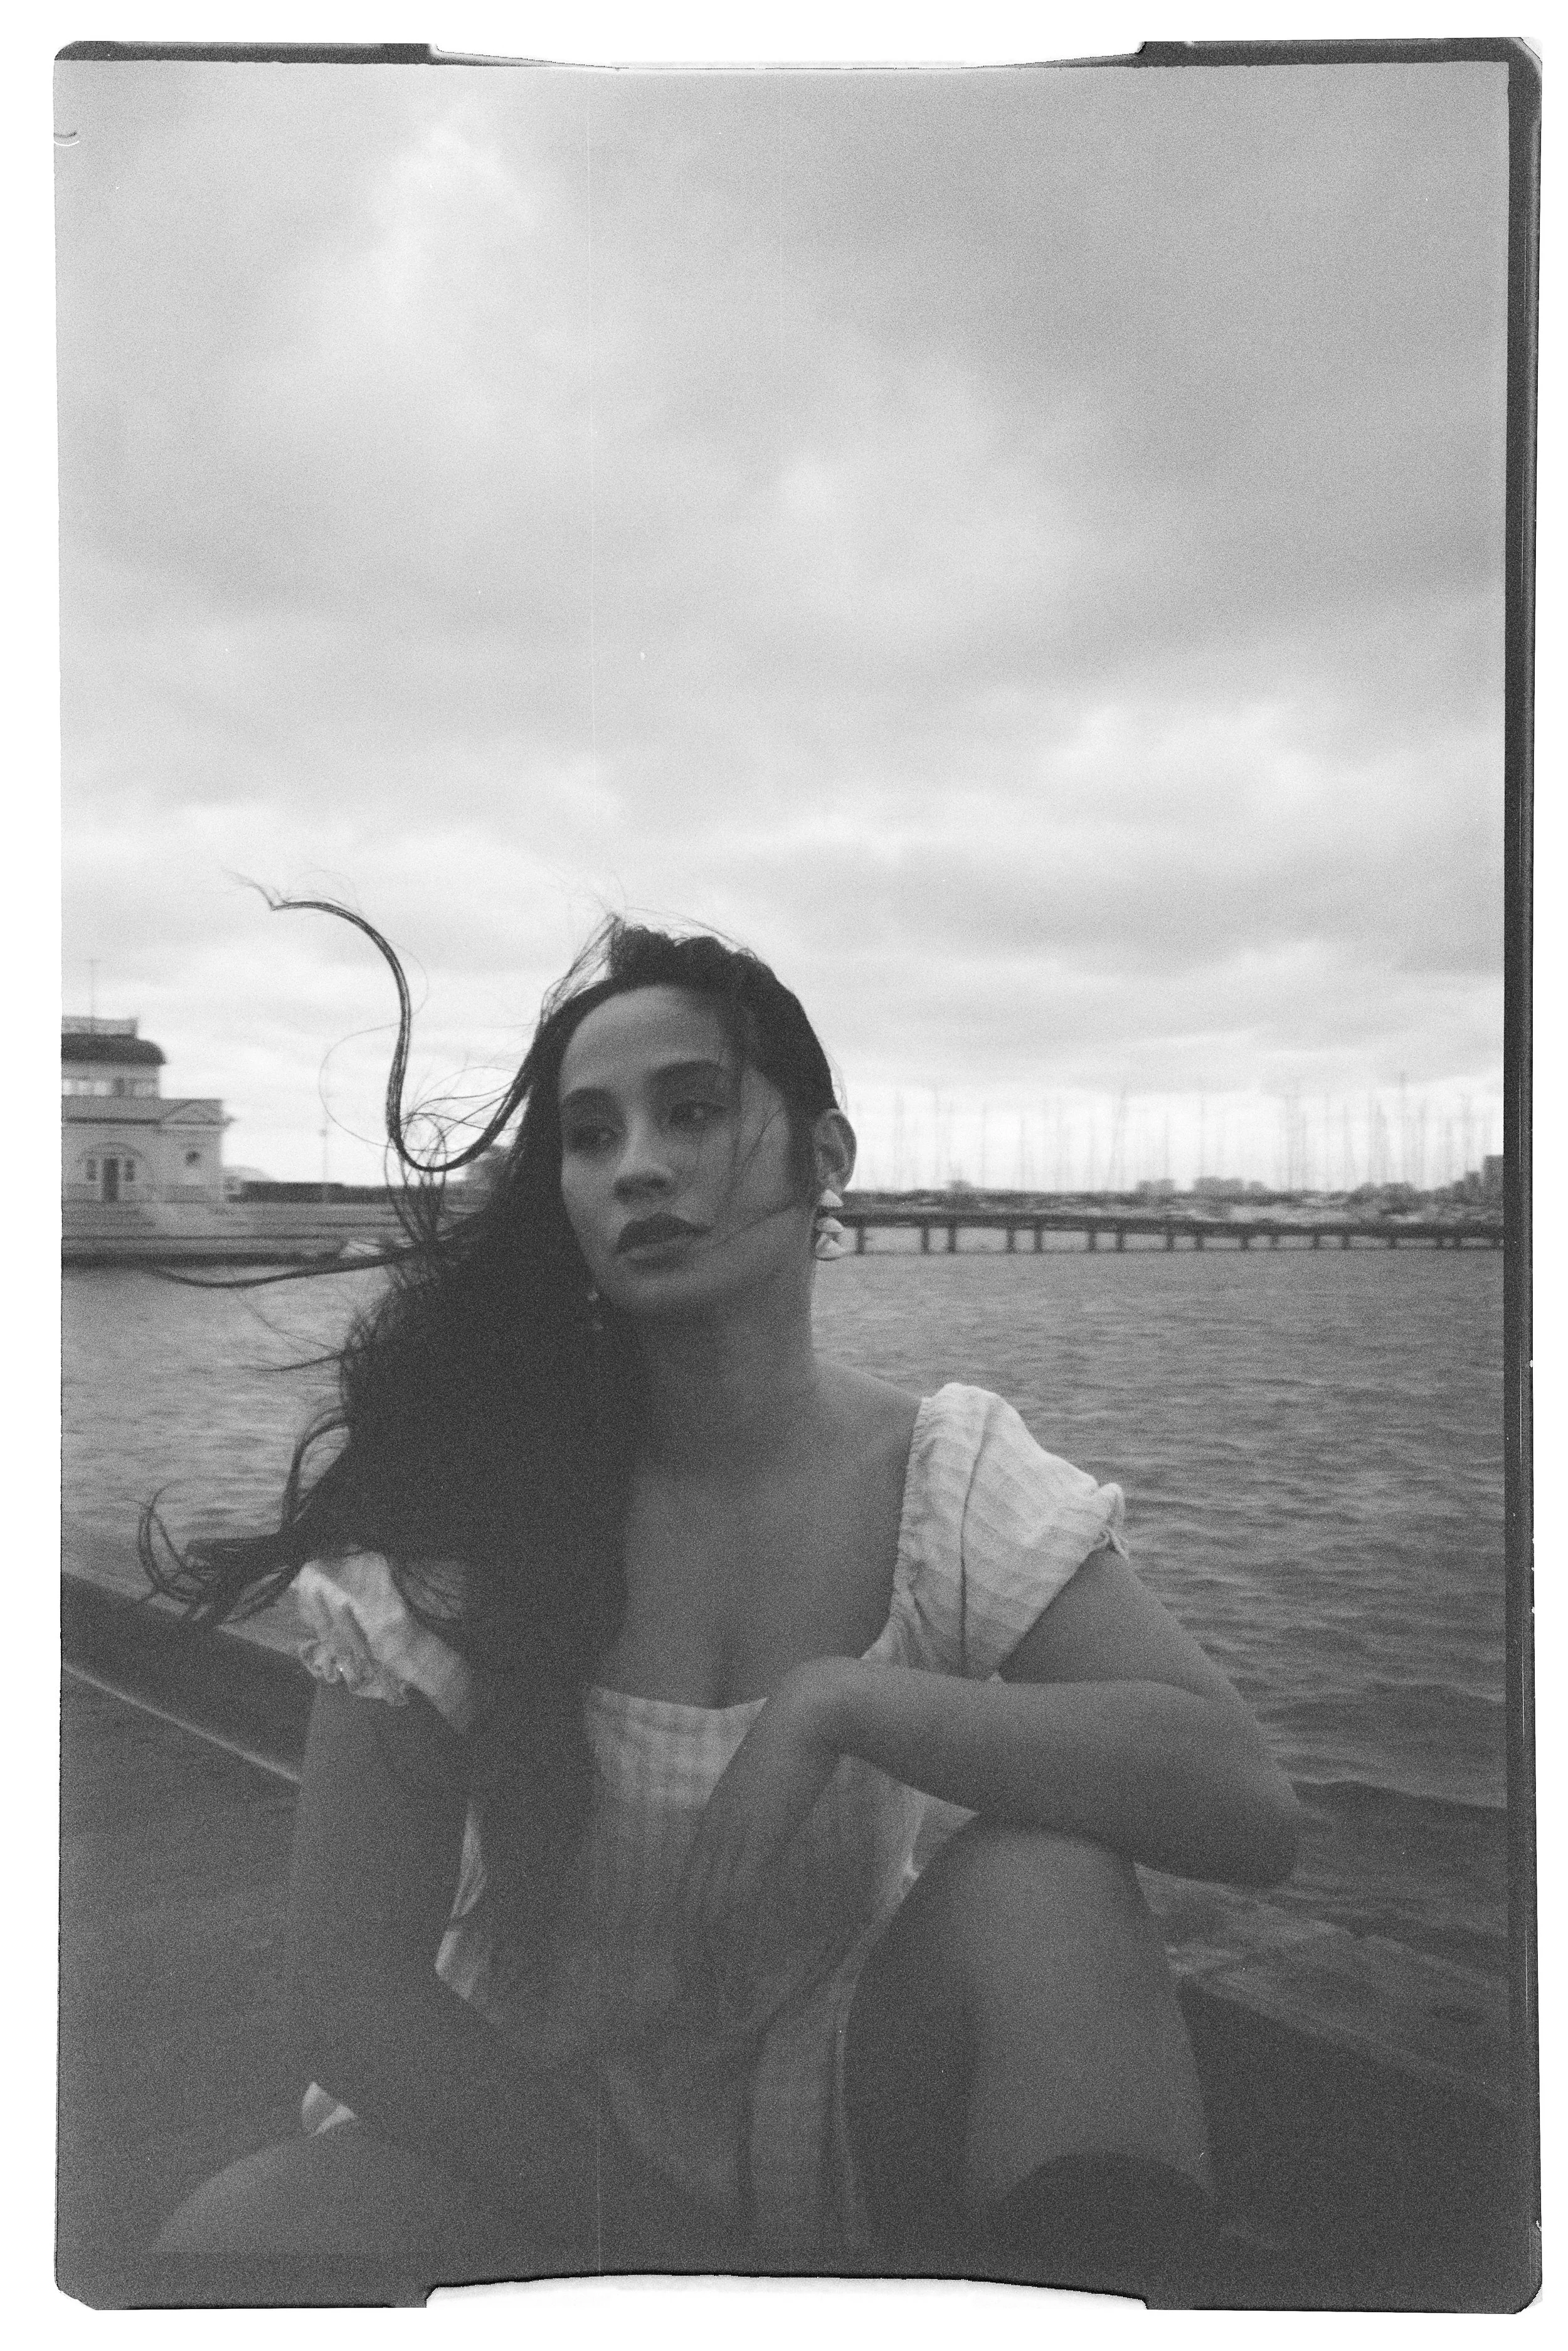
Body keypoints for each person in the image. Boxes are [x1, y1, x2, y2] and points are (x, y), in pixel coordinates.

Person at [147, 913, 1301, 2304]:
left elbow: (1241, 1799)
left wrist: (844, 1700)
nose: (635, 1161)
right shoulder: (470, 1499)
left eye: (691, 1109)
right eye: (588, 1133)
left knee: (1047, 1879)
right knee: (244, 2233)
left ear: (827, 1157)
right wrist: (674, 2252)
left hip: (824, 2084)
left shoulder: (940, 1472)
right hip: (516, 2119)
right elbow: (349, 1992)